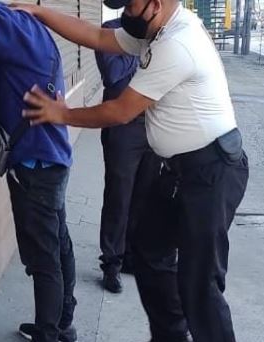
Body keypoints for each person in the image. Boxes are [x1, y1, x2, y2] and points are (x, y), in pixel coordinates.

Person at [12, 0, 249, 342]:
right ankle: (172, 333)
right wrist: (40, 12)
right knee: (146, 249)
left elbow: (120, 111)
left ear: (155, 4)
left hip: (212, 171)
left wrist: (59, 113)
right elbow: (99, 38)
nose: (126, 13)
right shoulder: (153, 26)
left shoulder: (179, 42)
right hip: (177, 169)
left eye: (132, 3)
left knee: (200, 275)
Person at [0, 0, 79, 342]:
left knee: (43, 259)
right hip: (51, 155)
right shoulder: (30, 26)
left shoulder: (3, 21)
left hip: (34, 162)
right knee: (58, 244)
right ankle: (62, 326)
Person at [96, 17, 160, 295]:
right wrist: (141, 51)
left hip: (153, 124)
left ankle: (130, 256)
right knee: (118, 196)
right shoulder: (110, 31)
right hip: (122, 128)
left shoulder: (160, 33)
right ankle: (111, 262)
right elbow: (112, 74)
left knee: (144, 195)